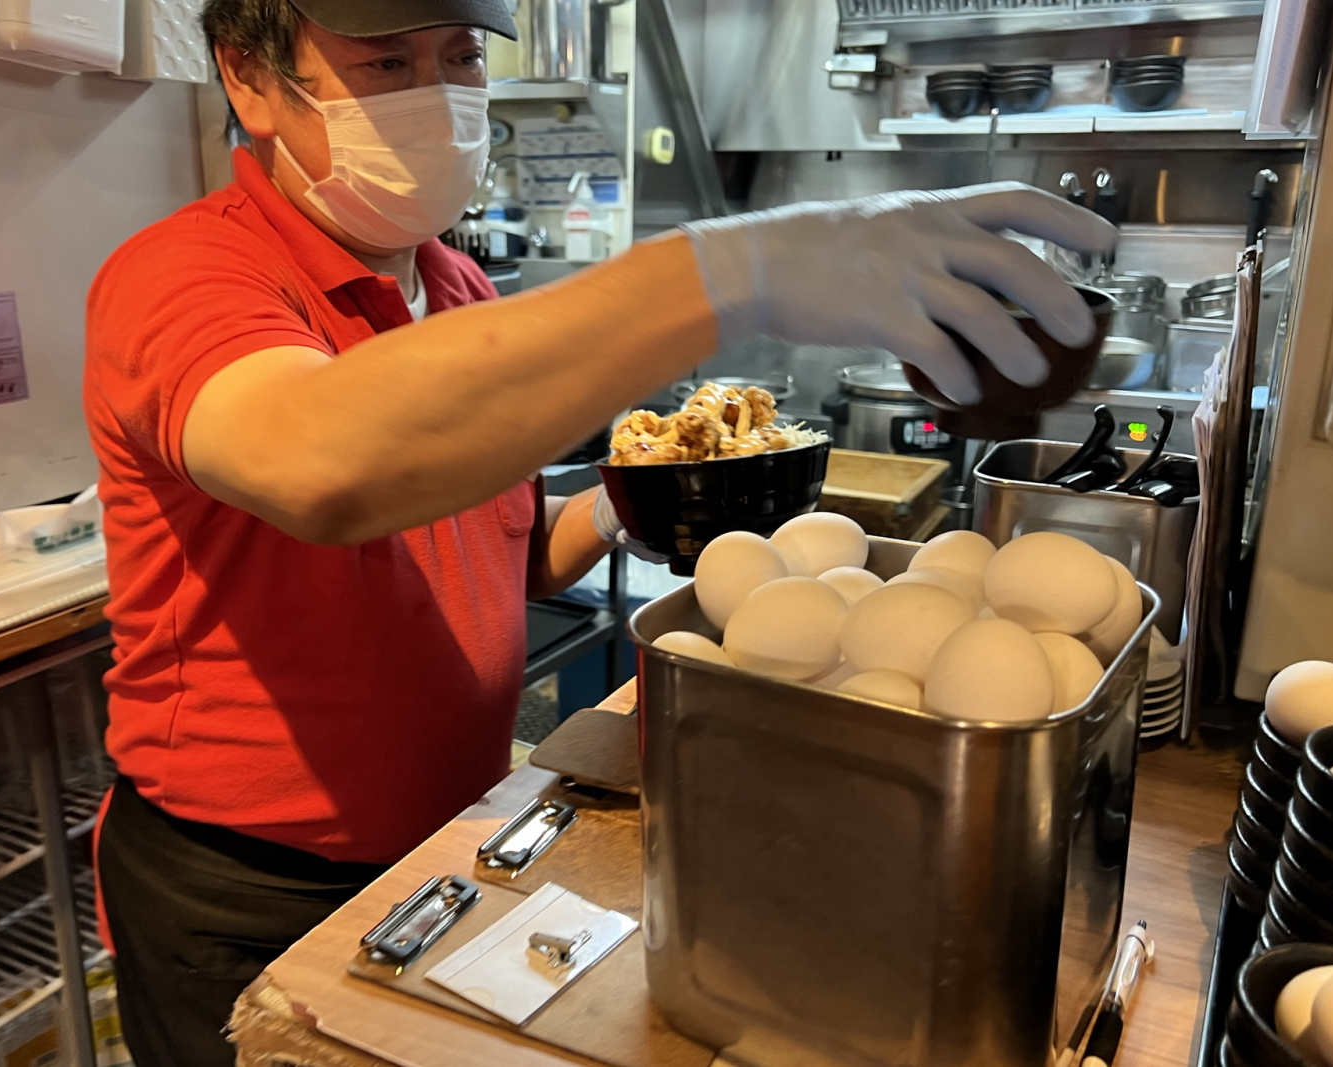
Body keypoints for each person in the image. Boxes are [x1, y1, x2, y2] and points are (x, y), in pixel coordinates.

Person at [83, 0, 1117, 1063]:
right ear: (248, 78)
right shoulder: (187, 276)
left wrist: (651, 494)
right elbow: (317, 461)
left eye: (458, 58)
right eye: (386, 60)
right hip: (253, 886)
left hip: (448, 843)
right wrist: (731, 268)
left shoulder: (452, 285)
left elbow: (497, 554)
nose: (436, 94)